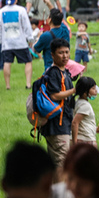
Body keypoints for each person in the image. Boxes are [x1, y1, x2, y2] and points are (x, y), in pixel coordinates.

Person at [40, 38, 75, 169]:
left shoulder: (65, 72)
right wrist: (74, 90)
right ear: (52, 54)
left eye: (67, 52)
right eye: (61, 53)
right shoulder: (53, 73)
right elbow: (54, 95)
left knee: (57, 162)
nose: (65, 55)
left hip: (63, 123)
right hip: (56, 125)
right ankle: (60, 189)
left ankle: (54, 188)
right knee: (62, 162)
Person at [0, 0, 34, 90]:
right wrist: (30, 38)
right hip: (20, 42)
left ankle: (8, 86)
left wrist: (0, 40)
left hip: (7, 42)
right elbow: (26, 25)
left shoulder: (1, 11)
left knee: (7, 62)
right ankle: (28, 84)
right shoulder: (21, 10)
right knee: (28, 61)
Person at [72, 76, 99, 146]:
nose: (96, 90)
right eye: (93, 88)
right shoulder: (85, 105)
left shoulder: (78, 101)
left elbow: (83, 123)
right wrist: (74, 143)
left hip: (84, 138)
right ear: (84, 92)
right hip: (86, 140)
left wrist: (95, 129)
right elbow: (75, 122)